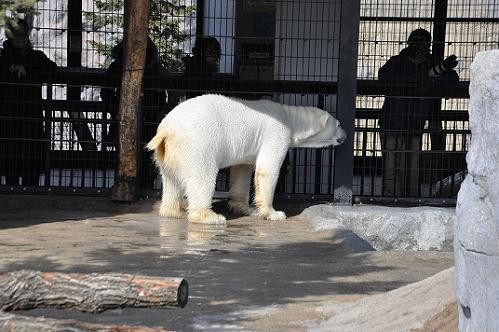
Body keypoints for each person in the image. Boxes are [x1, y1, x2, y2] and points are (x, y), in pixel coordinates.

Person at [378, 28, 459, 197]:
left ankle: (407, 201)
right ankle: (392, 201)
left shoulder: (422, 64)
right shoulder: (398, 62)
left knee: (409, 168)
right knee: (393, 167)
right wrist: (427, 79)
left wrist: (429, 78)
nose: (419, 47)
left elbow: (453, 80)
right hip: (395, 122)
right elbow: (383, 78)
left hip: (409, 123)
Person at [101, 37, 167, 189]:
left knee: (145, 158)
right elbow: (106, 92)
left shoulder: (153, 68)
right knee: (131, 156)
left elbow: (106, 92)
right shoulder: (119, 68)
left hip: (148, 120)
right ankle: (132, 186)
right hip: (138, 119)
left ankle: (141, 186)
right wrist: (116, 111)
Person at [0, 18, 57, 186]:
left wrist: (26, 69)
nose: (21, 39)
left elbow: (52, 68)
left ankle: (27, 190)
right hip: (15, 117)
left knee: (24, 159)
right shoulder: (5, 59)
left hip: (23, 117)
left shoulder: (35, 57)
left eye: (23, 35)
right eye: (17, 36)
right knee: (15, 159)